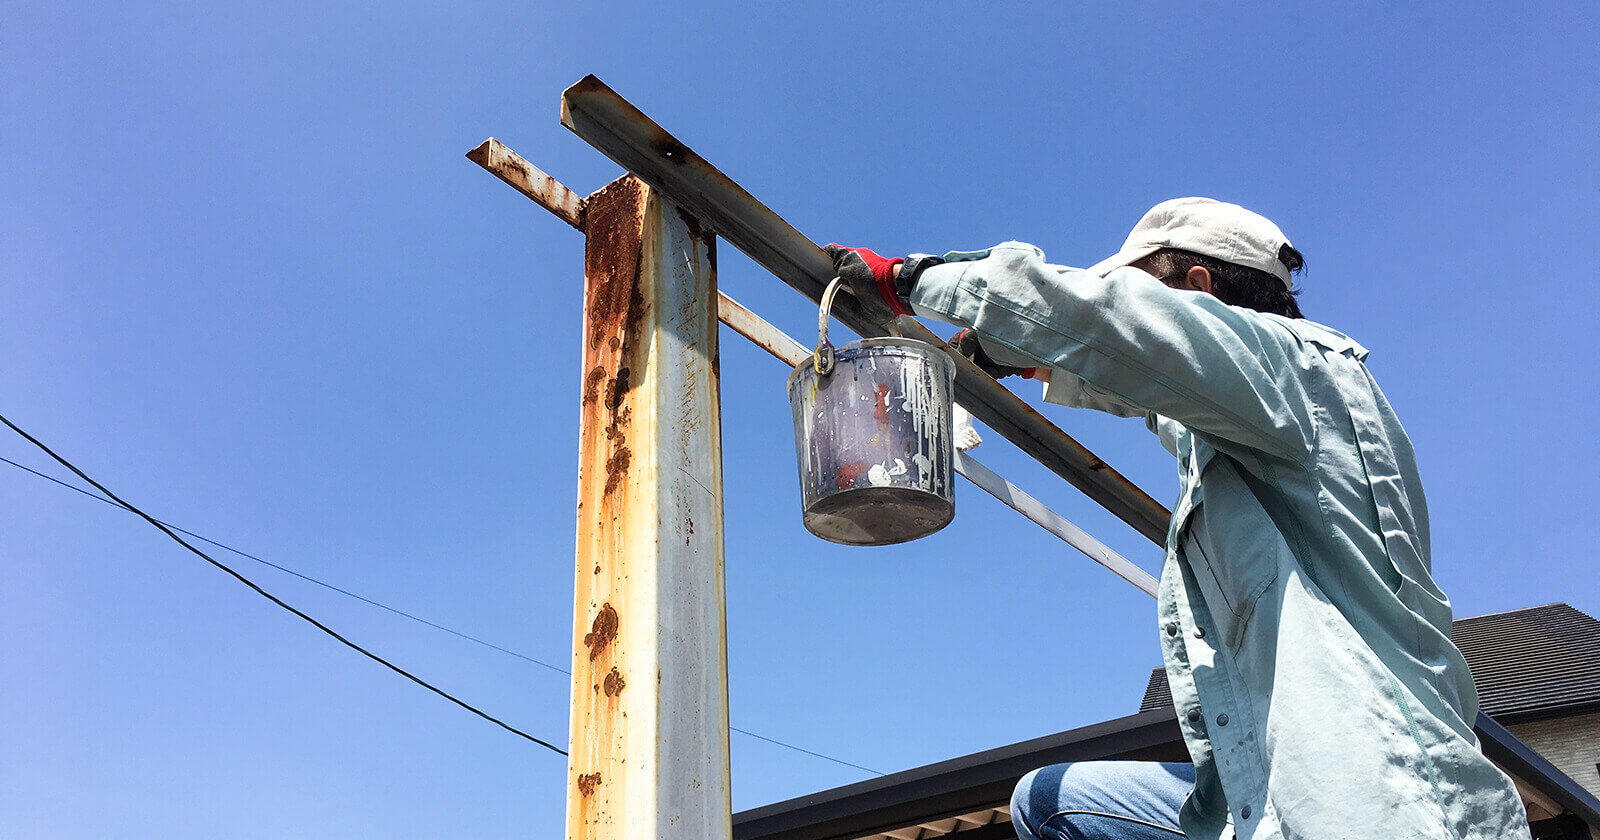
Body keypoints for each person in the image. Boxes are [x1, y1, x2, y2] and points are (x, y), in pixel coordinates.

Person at [825, 198, 1529, 840]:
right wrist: (1021, 358)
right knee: (1051, 801)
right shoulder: (1250, 421)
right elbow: (1141, 383)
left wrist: (916, 278)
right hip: (1271, 801)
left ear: (1196, 290)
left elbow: (1112, 329)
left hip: (1377, 801)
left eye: (1144, 295)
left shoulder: (1307, 375)